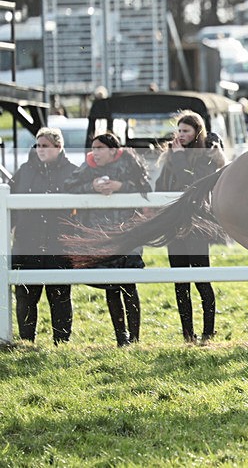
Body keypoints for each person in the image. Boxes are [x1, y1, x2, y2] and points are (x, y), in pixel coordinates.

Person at [65, 133, 151, 346]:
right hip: (101, 234)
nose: (95, 151)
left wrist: (120, 187)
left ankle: (136, 337)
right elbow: (69, 186)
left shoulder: (130, 162)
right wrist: (91, 187)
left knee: (129, 286)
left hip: (129, 233)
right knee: (111, 287)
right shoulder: (88, 167)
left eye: (100, 148)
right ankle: (121, 338)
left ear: (112, 149)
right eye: (93, 147)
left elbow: (145, 188)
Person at [156, 111, 227, 344]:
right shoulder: (170, 155)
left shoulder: (205, 156)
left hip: (197, 225)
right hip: (174, 226)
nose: (181, 135)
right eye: (179, 130)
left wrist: (177, 158)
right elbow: (160, 186)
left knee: (201, 279)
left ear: (197, 132)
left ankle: (208, 332)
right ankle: (187, 334)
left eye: (186, 131)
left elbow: (191, 182)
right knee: (180, 282)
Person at [10, 127, 78, 345]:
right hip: (26, 243)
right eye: (38, 145)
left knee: (59, 295)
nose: (40, 150)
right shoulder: (24, 171)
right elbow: (10, 205)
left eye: (45, 146)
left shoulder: (73, 172)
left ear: (59, 147)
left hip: (59, 243)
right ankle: (26, 342)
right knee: (25, 296)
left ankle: (62, 341)